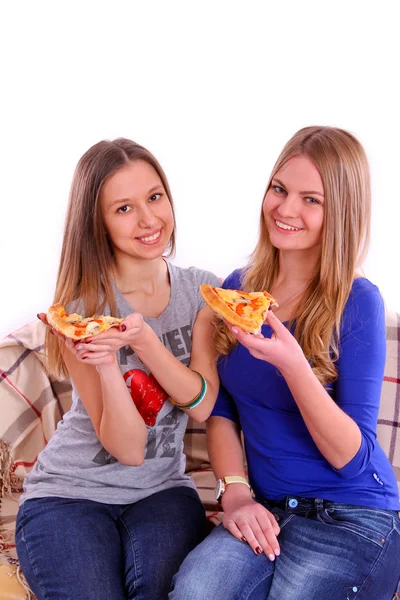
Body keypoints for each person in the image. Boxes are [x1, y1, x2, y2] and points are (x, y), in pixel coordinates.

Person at [169, 126, 400, 600]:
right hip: (269, 507)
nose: (285, 209)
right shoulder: (238, 291)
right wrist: (234, 493)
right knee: (194, 592)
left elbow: (351, 457)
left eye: (310, 199)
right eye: (279, 189)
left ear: (341, 212)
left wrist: (294, 366)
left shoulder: (358, 301)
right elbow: (221, 409)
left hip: (353, 514)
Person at [15, 138, 221, 600]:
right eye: (124, 208)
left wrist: (144, 339)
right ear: (98, 223)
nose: (149, 220)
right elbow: (127, 449)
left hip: (163, 491)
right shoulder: (80, 313)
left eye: (154, 197)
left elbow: (204, 403)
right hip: (67, 494)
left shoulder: (202, 292)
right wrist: (107, 365)